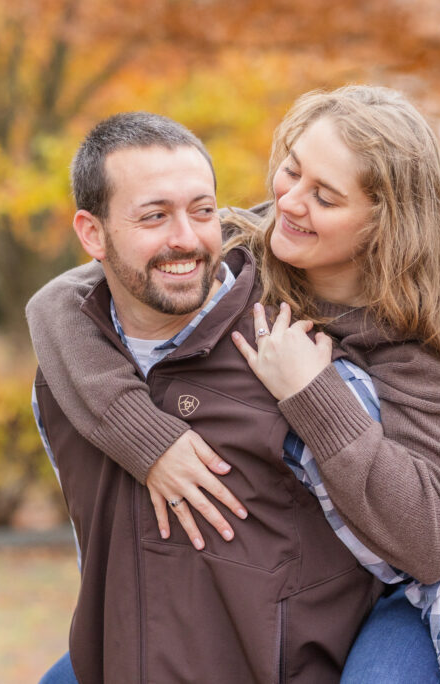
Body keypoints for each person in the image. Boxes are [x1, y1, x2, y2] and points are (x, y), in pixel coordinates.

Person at [31, 87, 440, 683]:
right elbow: (59, 304)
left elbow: (430, 546)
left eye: (323, 196)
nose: (289, 203)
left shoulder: (421, 344)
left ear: (386, 223)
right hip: (334, 572)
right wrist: (151, 442)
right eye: (292, 171)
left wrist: (313, 393)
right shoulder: (248, 244)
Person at [32, 111, 383, 684]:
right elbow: (97, 553)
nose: (187, 239)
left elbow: (405, 553)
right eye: (154, 216)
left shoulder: (295, 356)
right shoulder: (59, 384)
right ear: (92, 233)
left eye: (202, 211)